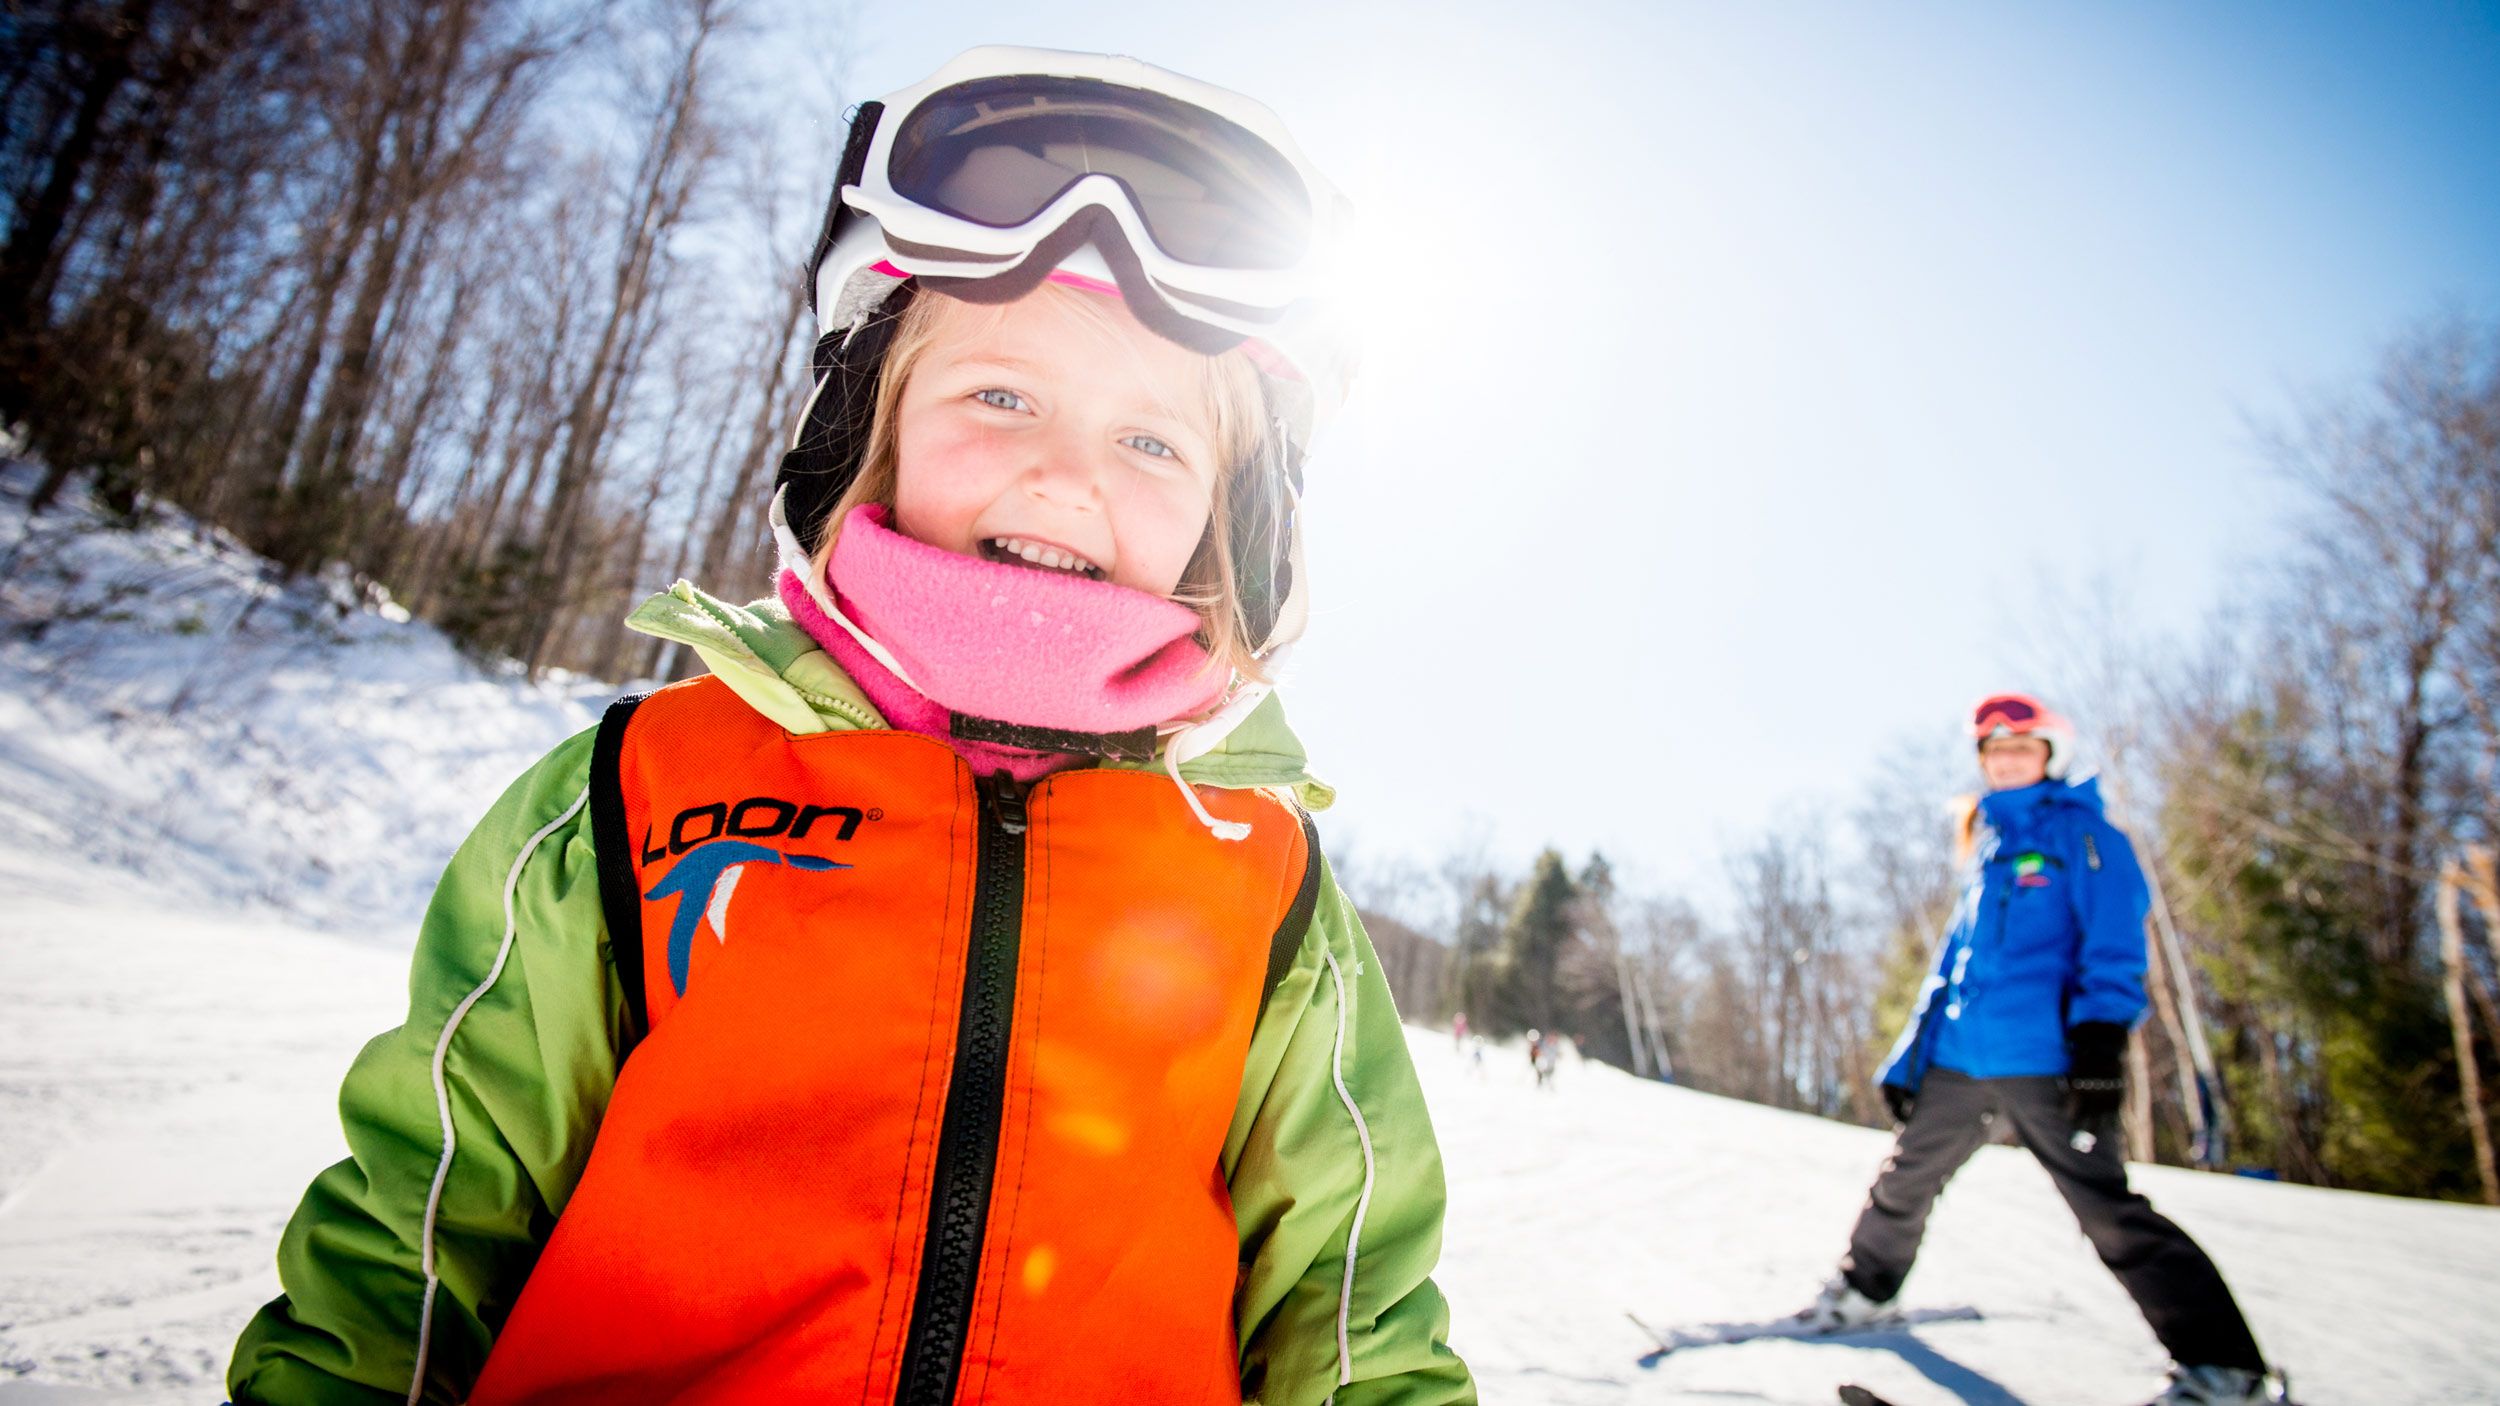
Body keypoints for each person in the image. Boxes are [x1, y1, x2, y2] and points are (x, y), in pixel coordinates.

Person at [227, 47, 1472, 1406]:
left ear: (1235, 529)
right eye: (999, 395)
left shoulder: (1260, 881)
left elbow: (1352, 1314)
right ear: (865, 432)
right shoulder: (643, 789)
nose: (1062, 473)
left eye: (1153, 443)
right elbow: (421, 1218)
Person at [1804, 694, 2273, 1406]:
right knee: (1905, 1178)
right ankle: (1864, 1292)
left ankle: (2223, 1367)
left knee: (2104, 1208)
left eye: (2022, 749)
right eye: (1995, 751)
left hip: (2048, 1058)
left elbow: (2115, 939)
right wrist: (1908, 1058)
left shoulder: (2085, 836)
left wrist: (2100, 1040)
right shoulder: (1987, 845)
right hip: (1962, 1056)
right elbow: (1951, 964)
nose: (2008, 760)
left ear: (2048, 756)